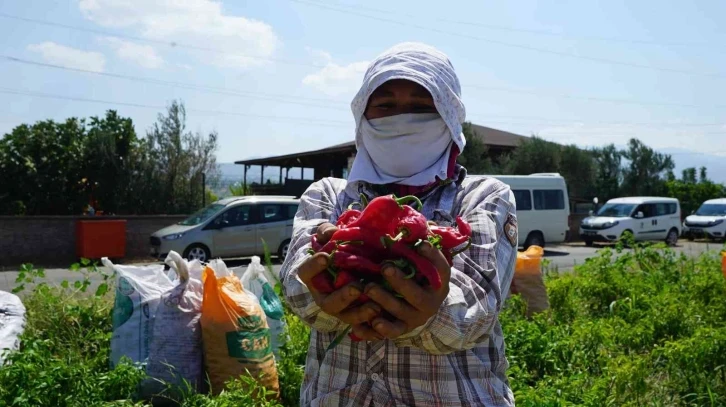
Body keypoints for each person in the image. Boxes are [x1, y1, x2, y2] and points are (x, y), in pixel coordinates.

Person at [280, 42, 517, 407]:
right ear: (363, 114)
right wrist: (321, 292)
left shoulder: (483, 196)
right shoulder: (327, 196)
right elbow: (297, 291)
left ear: (449, 116)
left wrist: (432, 311)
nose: (402, 119)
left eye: (423, 107)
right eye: (385, 105)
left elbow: (475, 311)